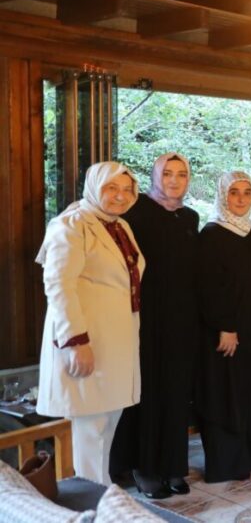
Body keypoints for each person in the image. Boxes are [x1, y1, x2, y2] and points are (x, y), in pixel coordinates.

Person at [36, 162, 144, 485]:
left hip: (116, 343)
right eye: (111, 188)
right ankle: (93, 500)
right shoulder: (71, 224)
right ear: (94, 187)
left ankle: (102, 495)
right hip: (87, 342)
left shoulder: (120, 226)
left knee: (107, 425)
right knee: (90, 429)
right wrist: (75, 342)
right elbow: (58, 285)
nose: (120, 196)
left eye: (126, 189)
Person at [110, 152, 200, 498]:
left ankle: (173, 465)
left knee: (176, 393)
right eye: (167, 173)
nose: (174, 180)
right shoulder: (135, 213)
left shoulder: (189, 217)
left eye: (181, 174)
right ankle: (144, 467)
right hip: (145, 318)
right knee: (146, 392)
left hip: (182, 319)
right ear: (154, 176)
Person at [195, 172, 251, 483]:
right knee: (226, 394)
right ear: (223, 195)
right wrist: (226, 326)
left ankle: (250, 453)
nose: (241, 199)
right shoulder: (212, 234)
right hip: (227, 332)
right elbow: (208, 288)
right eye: (234, 192)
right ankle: (227, 463)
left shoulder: (249, 229)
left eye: (247, 192)